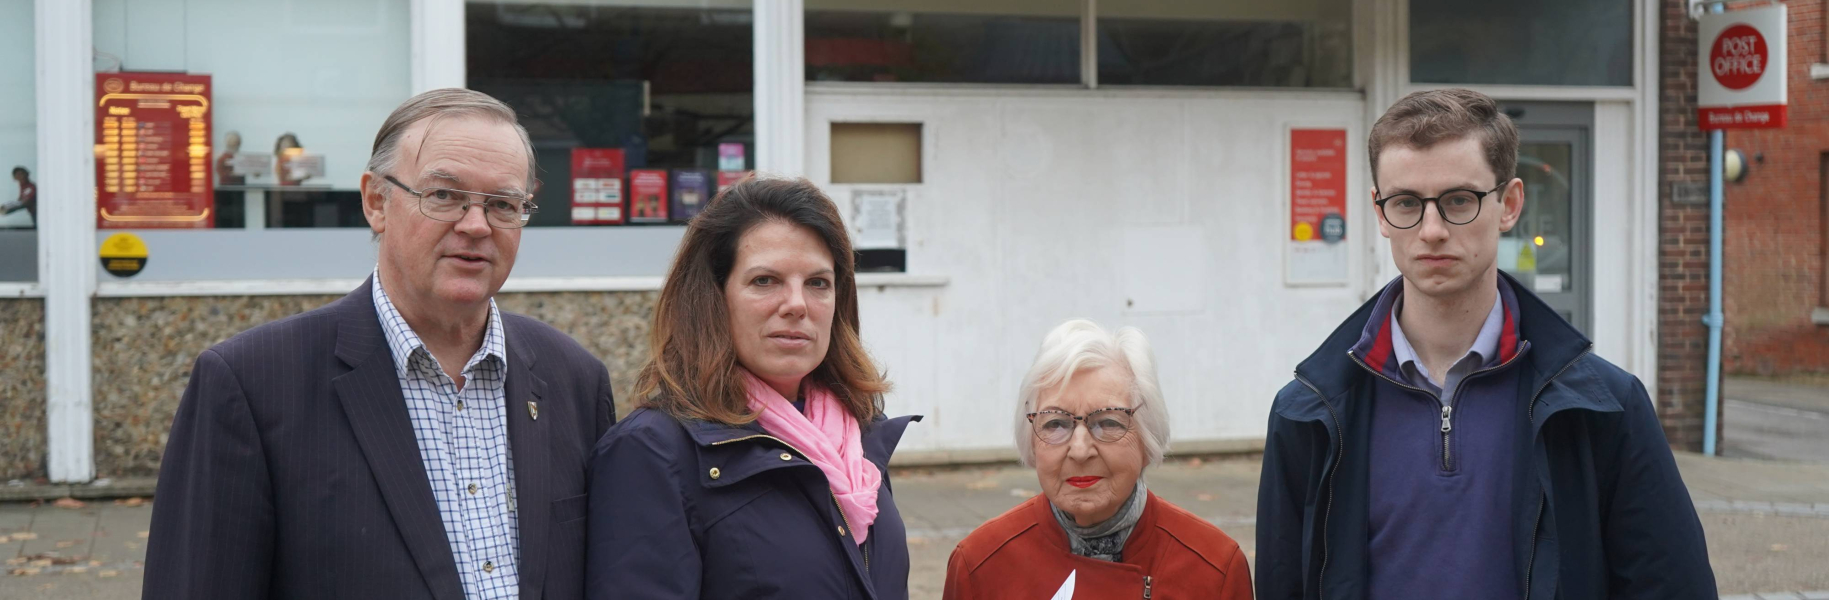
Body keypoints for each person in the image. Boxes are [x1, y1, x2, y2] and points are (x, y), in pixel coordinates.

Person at [144, 89, 614, 600]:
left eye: (502, 204)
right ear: (376, 201)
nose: (476, 226)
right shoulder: (250, 384)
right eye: (444, 196)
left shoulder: (574, 380)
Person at [1255, 89, 1715, 600]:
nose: (1431, 230)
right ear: (1380, 213)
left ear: (1509, 204)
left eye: (1458, 201)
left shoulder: (1605, 408)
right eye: (1406, 202)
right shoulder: (1306, 414)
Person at [586, 175, 916, 599]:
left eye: (818, 283)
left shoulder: (859, 433)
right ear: (712, 298)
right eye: (765, 281)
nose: (797, 304)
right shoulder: (652, 451)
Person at [944, 319, 1253, 599]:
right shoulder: (980, 565)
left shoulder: (1214, 569)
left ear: (1148, 437)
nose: (1080, 451)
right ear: (1032, 442)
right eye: (1056, 423)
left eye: (1108, 422)